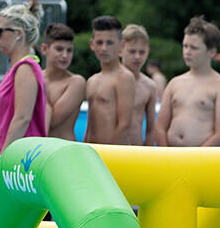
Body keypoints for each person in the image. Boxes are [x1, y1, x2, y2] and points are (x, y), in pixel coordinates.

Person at [155, 16, 220, 147]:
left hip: (202, 160)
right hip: (171, 157)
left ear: (212, 51)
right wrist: (166, 155)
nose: (187, 52)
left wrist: (196, 158)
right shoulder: (175, 83)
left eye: (194, 48)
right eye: (185, 46)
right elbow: (160, 127)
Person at [0, 1, 46, 153]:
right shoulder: (17, 69)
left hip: (20, 159)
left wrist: (3, 158)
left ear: (18, 34)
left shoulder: (25, 68)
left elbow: (22, 118)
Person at [84, 15, 134, 145]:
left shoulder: (124, 77)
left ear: (122, 45)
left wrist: (111, 156)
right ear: (92, 44)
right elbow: (89, 125)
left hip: (113, 156)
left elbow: (124, 124)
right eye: (99, 42)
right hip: (93, 153)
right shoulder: (91, 81)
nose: (104, 48)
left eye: (110, 43)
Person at [40, 23, 84, 142]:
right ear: (44, 49)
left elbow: (52, 122)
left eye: (69, 50)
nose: (65, 55)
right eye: (59, 49)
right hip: (39, 151)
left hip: (64, 151)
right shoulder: (35, 78)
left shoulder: (76, 82)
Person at [120, 24, 158, 146]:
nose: (137, 57)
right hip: (110, 152)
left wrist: (148, 157)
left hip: (137, 152)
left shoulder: (149, 86)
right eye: (132, 51)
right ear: (120, 50)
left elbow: (151, 129)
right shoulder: (107, 81)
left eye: (142, 52)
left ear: (148, 52)